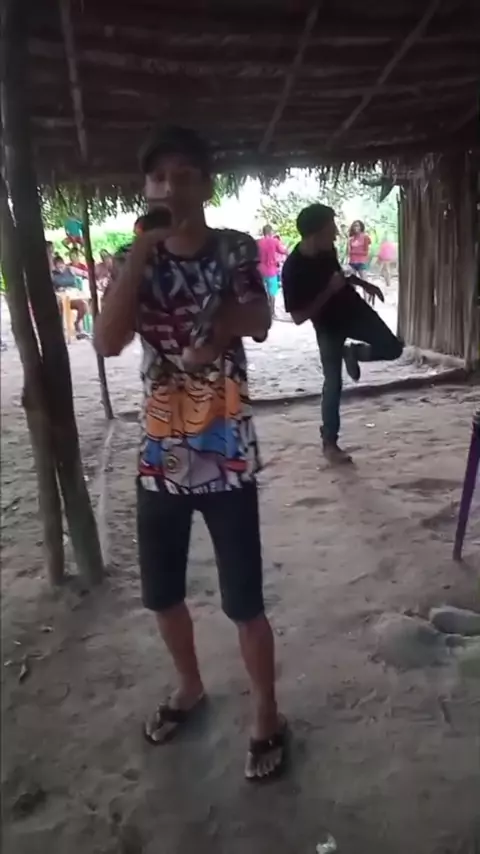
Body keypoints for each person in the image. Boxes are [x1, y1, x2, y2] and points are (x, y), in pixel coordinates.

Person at [94, 126, 286, 782]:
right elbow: (107, 341)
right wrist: (139, 257)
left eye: (183, 176)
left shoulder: (233, 248)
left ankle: (267, 715)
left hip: (228, 452)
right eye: (158, 178)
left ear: (206, 185)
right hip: (161, 456)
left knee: (245, 602)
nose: (169, 188)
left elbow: (259, 319)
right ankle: (190, 686)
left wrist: (218, 328)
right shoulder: (132, 258)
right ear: (145, 188)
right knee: (162, 594)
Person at [282, 204, 403, 464]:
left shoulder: (327, 250)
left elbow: (339, 277)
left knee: (393, 348)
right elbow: (299, 317)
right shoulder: (293, 268)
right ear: (316, 233)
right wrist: (329, 290)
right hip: (328, 325)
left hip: (354, 311)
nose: (336, 233)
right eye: (331, 228)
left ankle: (353, 353)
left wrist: (363, 283)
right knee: (333, 382)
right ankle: (330, 442)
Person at [51, 254, 89, 338]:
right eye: (58, 268)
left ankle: (77, 323)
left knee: (83, 305)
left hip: (73, 296)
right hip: (61, 299)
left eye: (61, 267)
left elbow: (85, 273)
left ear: (64, 264)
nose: (60, 269)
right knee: (59, 306)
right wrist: (58, 290)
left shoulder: (70, 269)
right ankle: (61, 330)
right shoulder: (53, 274)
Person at [257, 225, 288, 317]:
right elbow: (283, 251)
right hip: (271, 271)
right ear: (271, 232)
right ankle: (272, 313)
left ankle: (262, 312)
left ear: (263, 232)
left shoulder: (258, 242)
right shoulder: (275, 241)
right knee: (272, 293)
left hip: (259, 270)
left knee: (261, 292)